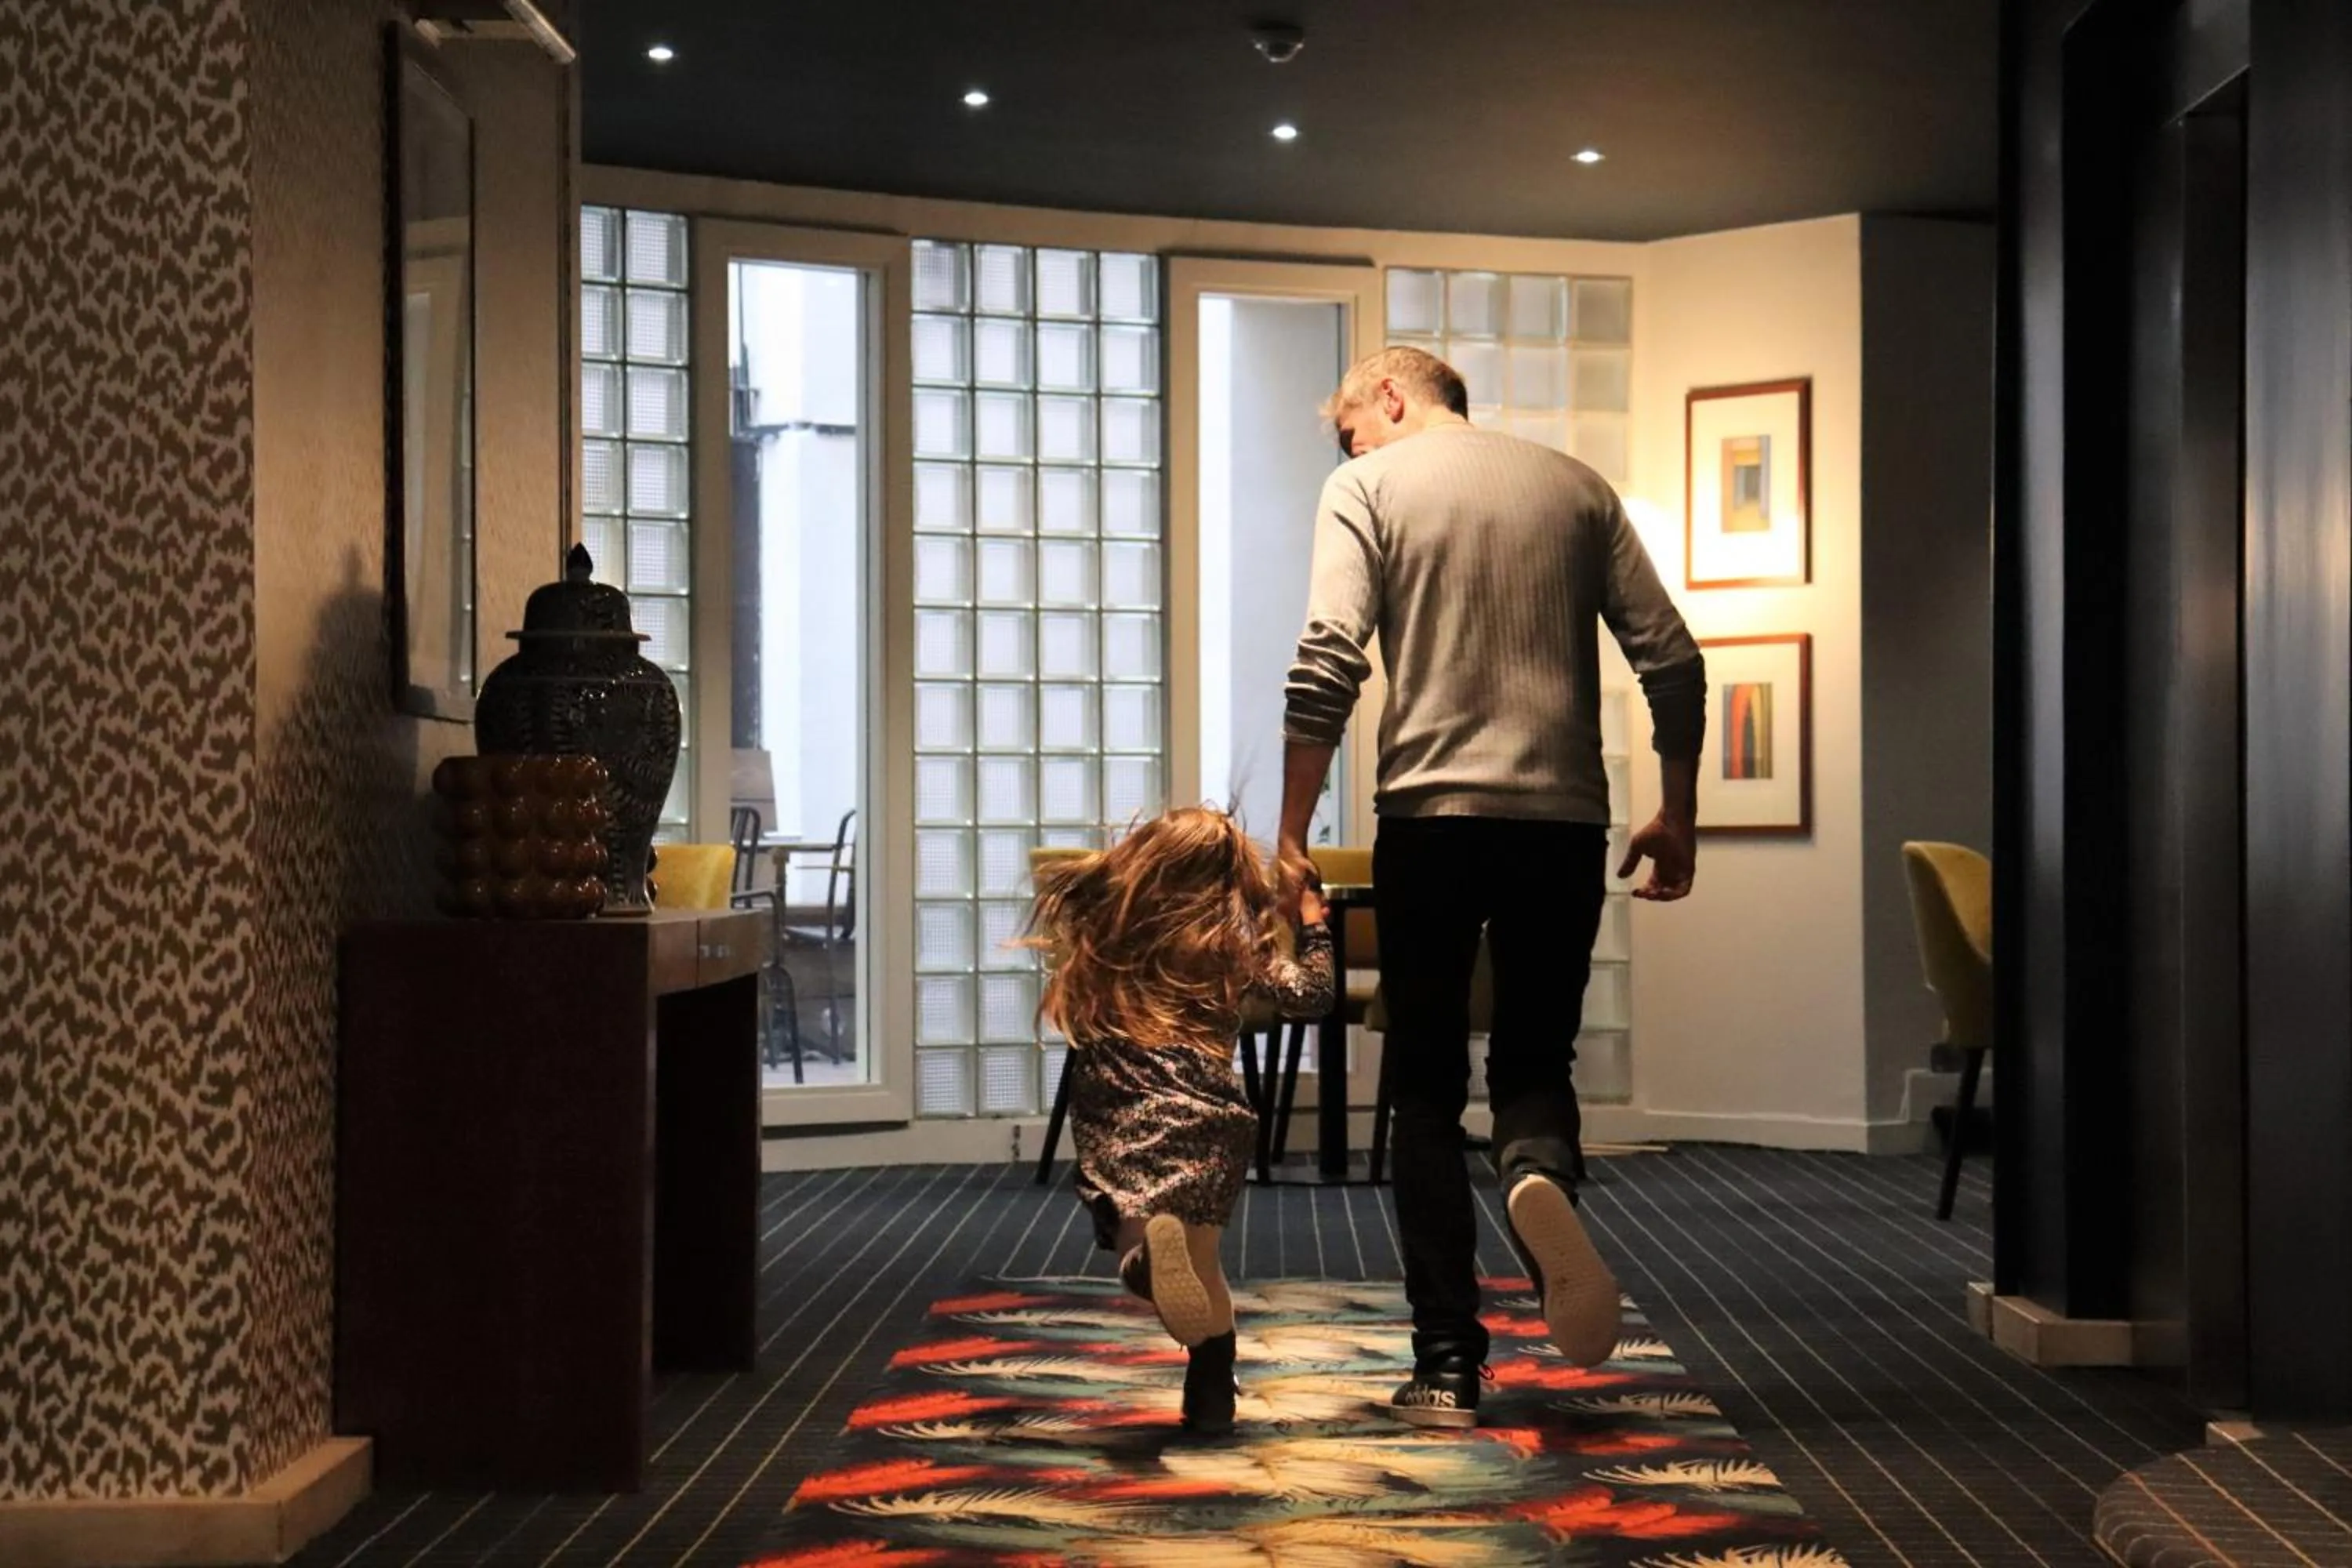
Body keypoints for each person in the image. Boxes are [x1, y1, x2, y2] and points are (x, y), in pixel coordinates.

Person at [1274, 346, 1705, 1429]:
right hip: (1564, 822)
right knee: (1533, 1055)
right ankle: (1539, 1171)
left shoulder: (1367, 486)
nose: (1350, 446)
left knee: (1422, 1081)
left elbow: (1328, 658)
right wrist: (1680, 811)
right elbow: (1675, 660)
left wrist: (1288, 834)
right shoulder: (1576, 486)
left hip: (1431, 820)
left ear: (1389, 395)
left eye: (1350, 426)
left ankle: (1448, 1360)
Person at [1023, 807, 1335, 1434]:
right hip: (1209, 1117)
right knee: (1203, 1261)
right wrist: (1311, 926)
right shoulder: (1229, 948)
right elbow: (1313, 998)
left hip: (1122, 1109)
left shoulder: (1108, 933)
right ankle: (1212, 1392)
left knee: (1144, 1238)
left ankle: (1142, 1264)